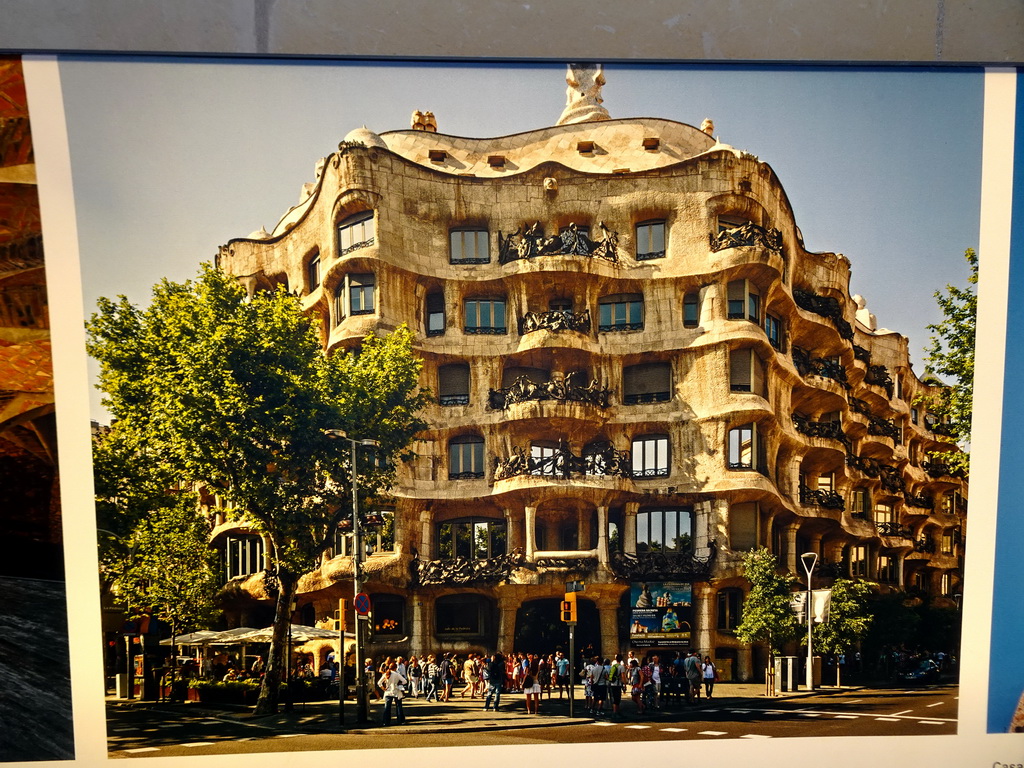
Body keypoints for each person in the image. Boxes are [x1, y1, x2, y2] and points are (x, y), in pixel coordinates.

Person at [377, 662, 407, 726]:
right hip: (396, 691)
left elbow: (379, 682)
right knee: (399, 706)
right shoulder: (397, 674)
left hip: (388, 691)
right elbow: (405, 681)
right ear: (395, 668)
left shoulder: (386, 674)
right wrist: (399, 684)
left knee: (387, 708)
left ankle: (386, 721)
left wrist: (383, 688)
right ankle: (401, 720)